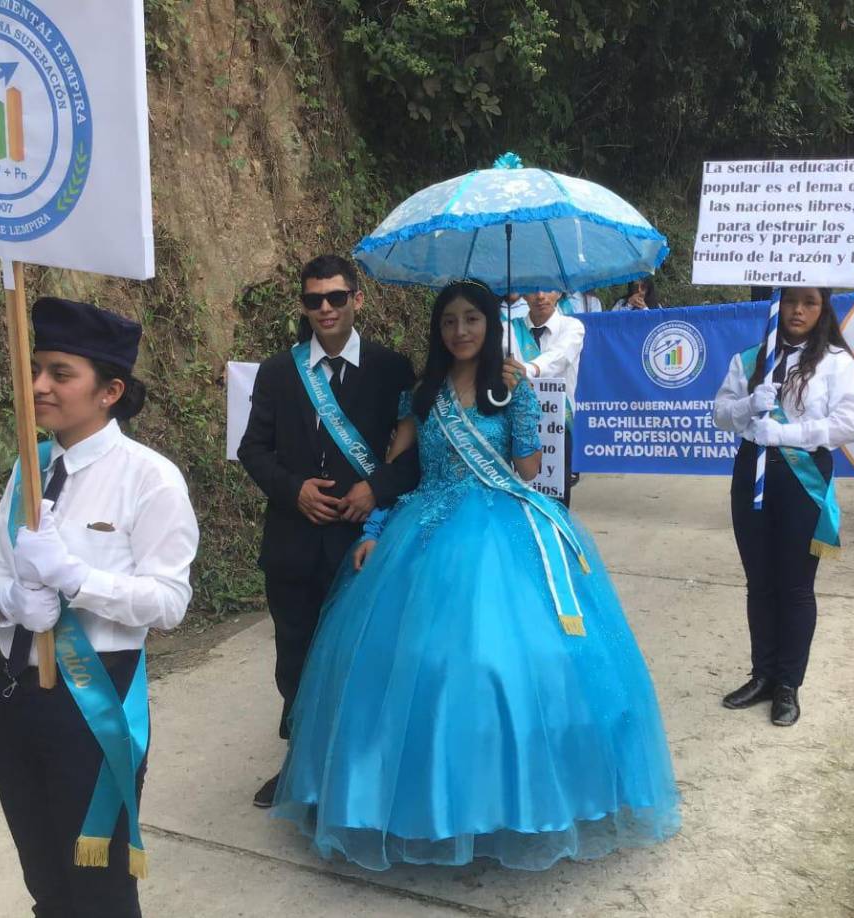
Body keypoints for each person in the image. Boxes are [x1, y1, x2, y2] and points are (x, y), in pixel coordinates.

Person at [270, 280, 680, 871]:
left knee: (514, 661)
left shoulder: (511, 388)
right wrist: (373, 530)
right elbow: (398, 468)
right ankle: (408, 800)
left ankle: (517, 800)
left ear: (490, 326)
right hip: (424, 529)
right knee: (410, 663)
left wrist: (524, 398)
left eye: (472, 320)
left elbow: (529, 468)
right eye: (449, 322)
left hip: (500, 526)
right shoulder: (422, 393)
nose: (460, 331)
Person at [0, 298, 200, 917]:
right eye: (36, 369)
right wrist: (11, 599)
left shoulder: (149, 479)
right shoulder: (31, 465)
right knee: (44, 876)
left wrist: (76, 579)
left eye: (60, 373)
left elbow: (168, 601)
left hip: (93, 704)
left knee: (97, 886)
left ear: (110, 390)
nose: (40, 386)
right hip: (16, 691)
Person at [238, 255, 419, 808]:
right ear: (303, 305)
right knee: (295, 656)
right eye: (314, 299)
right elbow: (253, 449)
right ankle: (299, 765)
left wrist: (376, 488)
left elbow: (414, 457)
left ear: (357, 300)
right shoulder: (277, 371)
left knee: (362, 655)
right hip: (293, 544)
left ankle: (357, 769)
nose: (325, 309)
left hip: (362, 544)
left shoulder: (392, 370)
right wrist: (294, 490)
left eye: (336, 297)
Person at [713, 288, 854, 726]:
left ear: (823, 310)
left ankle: (787, 685)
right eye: (791, 301)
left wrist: (788, 434)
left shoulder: (835, 361)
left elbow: (849, 423)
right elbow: (720, 413)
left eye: (809, 303)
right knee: (759, 582)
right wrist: (747, 404)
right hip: (752, 474)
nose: (798, 310)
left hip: (802, 478)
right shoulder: (750, 358)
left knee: (795, 586)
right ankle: (762, 674)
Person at [506, 288, 585, 505]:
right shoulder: (509, 329)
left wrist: (526, 370)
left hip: (558, 427)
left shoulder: (572, 327)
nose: (540, 296)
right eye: (532, 289)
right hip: (519, 425)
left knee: (556, 503)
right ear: (522, 294)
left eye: (548, 289)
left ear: (559, 292)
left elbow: (559, 357)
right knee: (520, 498)